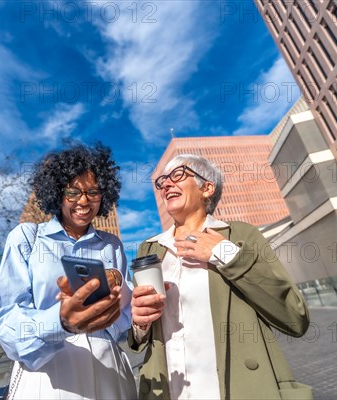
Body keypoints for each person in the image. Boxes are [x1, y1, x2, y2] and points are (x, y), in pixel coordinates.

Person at [129, 154, 312, 400]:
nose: (166, 184)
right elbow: (142, 334)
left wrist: (223, 253)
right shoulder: (150, 249)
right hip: (169, 391)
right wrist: (140, 324)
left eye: (178, 175)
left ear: (207, 188)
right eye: (162, 181)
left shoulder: (240, 235)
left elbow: (294, 317)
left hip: (235, 389)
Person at [0, 143, 136, 399]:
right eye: (73, 192)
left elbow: (122, 323)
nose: (83, 201)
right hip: (47, 376)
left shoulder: (112, 245)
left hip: (109, 372)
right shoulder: (26, 238)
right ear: (57, 193)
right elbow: (5, 319)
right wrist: (60, 322)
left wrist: (126, 294)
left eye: (93, 192)